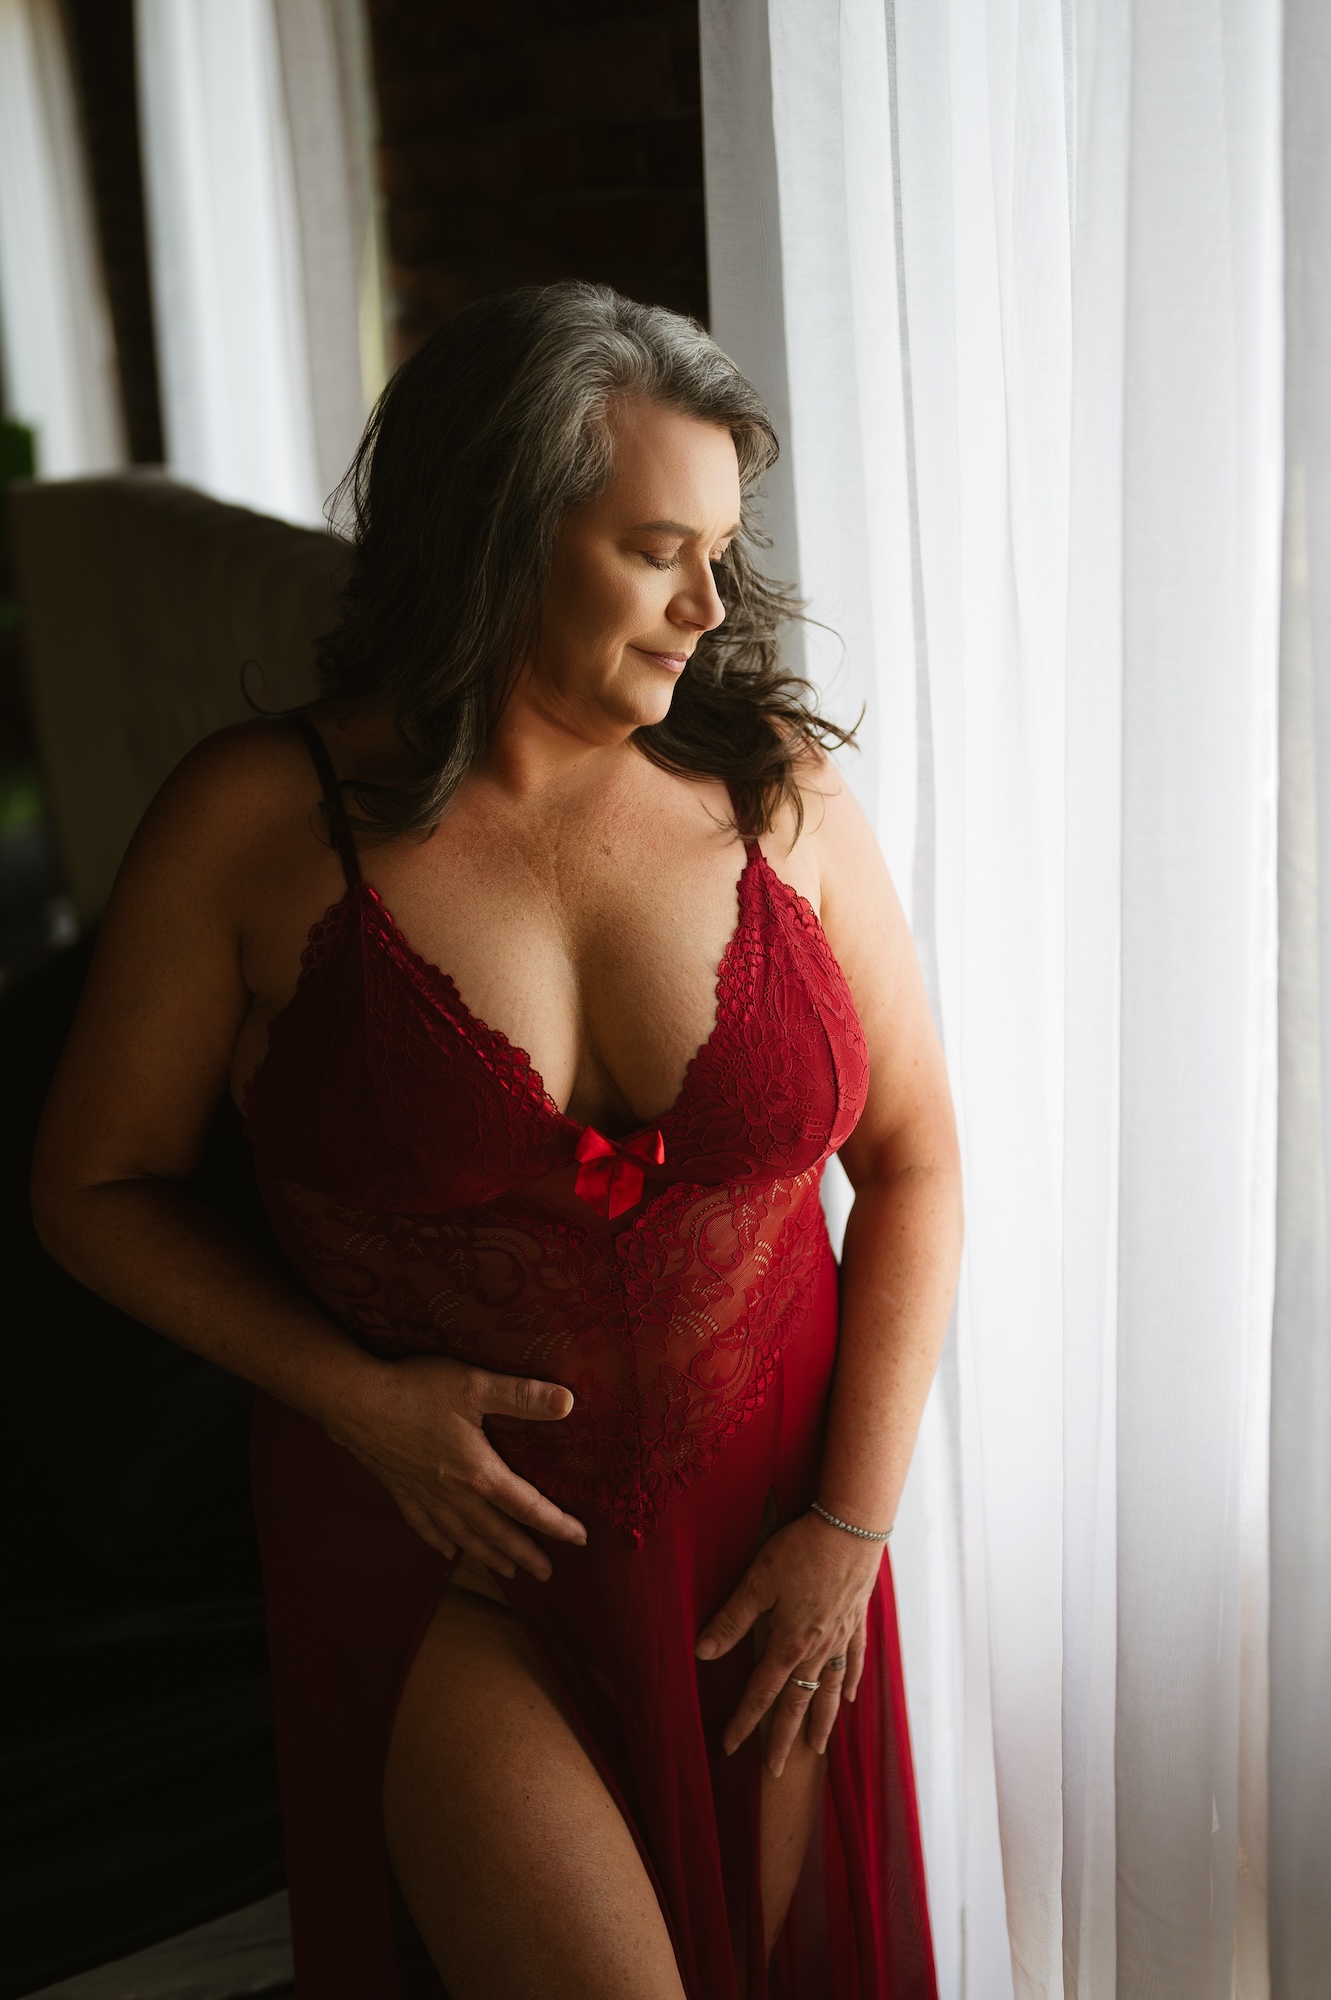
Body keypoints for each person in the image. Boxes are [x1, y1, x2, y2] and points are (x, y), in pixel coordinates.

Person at [33, 284, 962, 2000]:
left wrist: (850, 1528)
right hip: (439, 1539)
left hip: (773, 1545)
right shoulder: (259, 822)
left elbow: (914, 1162)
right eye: (654, 550)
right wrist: (349, 1396)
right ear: (494, 541)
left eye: (721, 552)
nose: (708, 605)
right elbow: (89, 1188)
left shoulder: (779, 799)